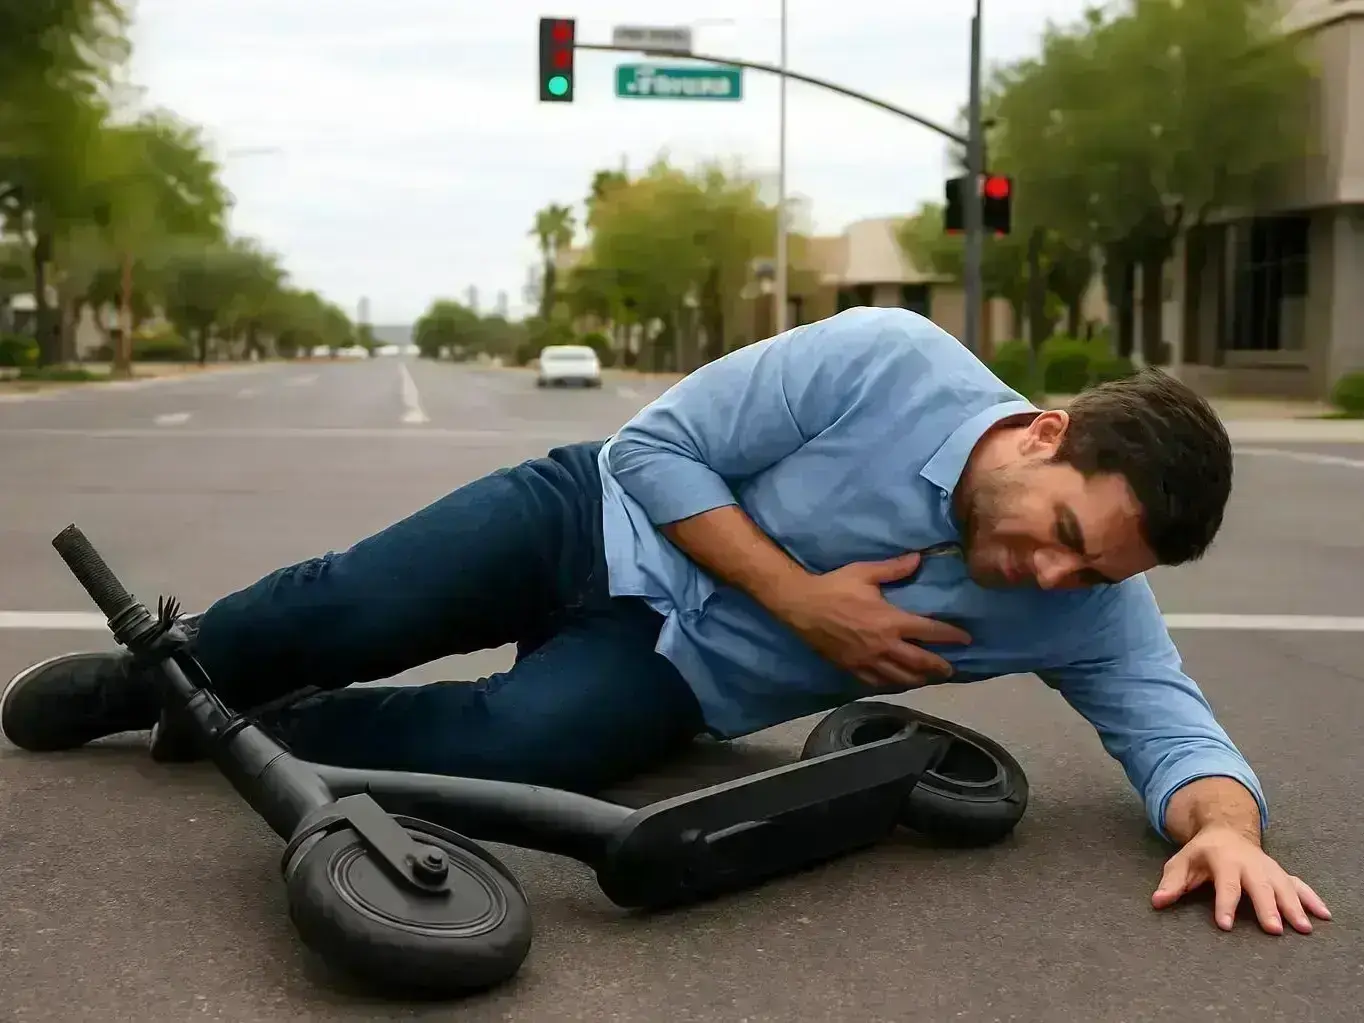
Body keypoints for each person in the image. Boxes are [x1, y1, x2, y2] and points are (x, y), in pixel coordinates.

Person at [2, 306, 1329, 936]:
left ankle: (237, 726)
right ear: (1047, 434)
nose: (1057, 581)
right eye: (1066, 535)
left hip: (669, 670)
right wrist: (800, 598)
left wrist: (1228, 834)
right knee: (352, 600)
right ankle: (147, 680)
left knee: (515, 750)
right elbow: (655, 450)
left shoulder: (1087, 607)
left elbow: (1179, 737)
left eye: (1094, 575)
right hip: (590, 513)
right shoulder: (890, 356)